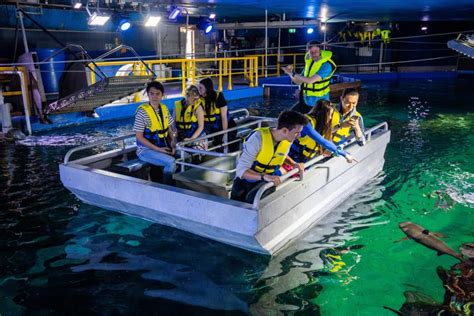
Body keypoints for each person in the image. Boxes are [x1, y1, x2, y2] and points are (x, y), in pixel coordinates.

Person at [231, 110, 308, 204]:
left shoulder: (288, 139)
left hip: (267, 179)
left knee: (255, 200)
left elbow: (280, 154)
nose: (299, 136)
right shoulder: (257, 139)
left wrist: (294, 163)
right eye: (297, 132)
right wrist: (265, 177)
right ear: (284, 130)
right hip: (247, 180)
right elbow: (241, 171)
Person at [133, 81, 176, 184]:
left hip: (162, 146)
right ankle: (168, 187)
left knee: (185, 156)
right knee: (171, 162)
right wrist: (158, 149)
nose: (154, 97)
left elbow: (169, 130)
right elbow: (139, 137)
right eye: (151, 93)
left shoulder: (164, 109)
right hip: (145, 151)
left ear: (162, 95)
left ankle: (170, 182)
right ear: (148, 95)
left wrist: (173, 144)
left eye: (158, 94)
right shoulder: (142, 112)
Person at [289, 99, 354, 163]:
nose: (331, 118)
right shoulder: (306, 123)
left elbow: (328, 140)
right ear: (322, 114)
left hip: (304, 162)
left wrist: (341, 152)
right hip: (290, 161)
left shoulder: (320, 124)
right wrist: (344, 154)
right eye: (330, 115)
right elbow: (323, 142)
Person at [281, 40, 336, 113]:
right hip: (305, 101)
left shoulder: (327, 65)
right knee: (288, 116)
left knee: (309, 123)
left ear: (321, 51)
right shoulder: (309, 63)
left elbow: (310, 80)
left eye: (316, 51)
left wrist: (292, 73)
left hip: (320, 104)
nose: (314, 54)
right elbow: (298, 82)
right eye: (311, 52)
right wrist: (289, 73)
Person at [198, 78, 238, 151]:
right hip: (214, 128)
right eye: (198, 87)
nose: (199, 89)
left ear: (207, 88)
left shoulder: (218, 97)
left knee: (230, 142)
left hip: (227, 126)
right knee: (217, 145)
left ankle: (236, 156)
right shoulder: (200, 99)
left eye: (201, 87)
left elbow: (224, 117)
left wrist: (224, 133)